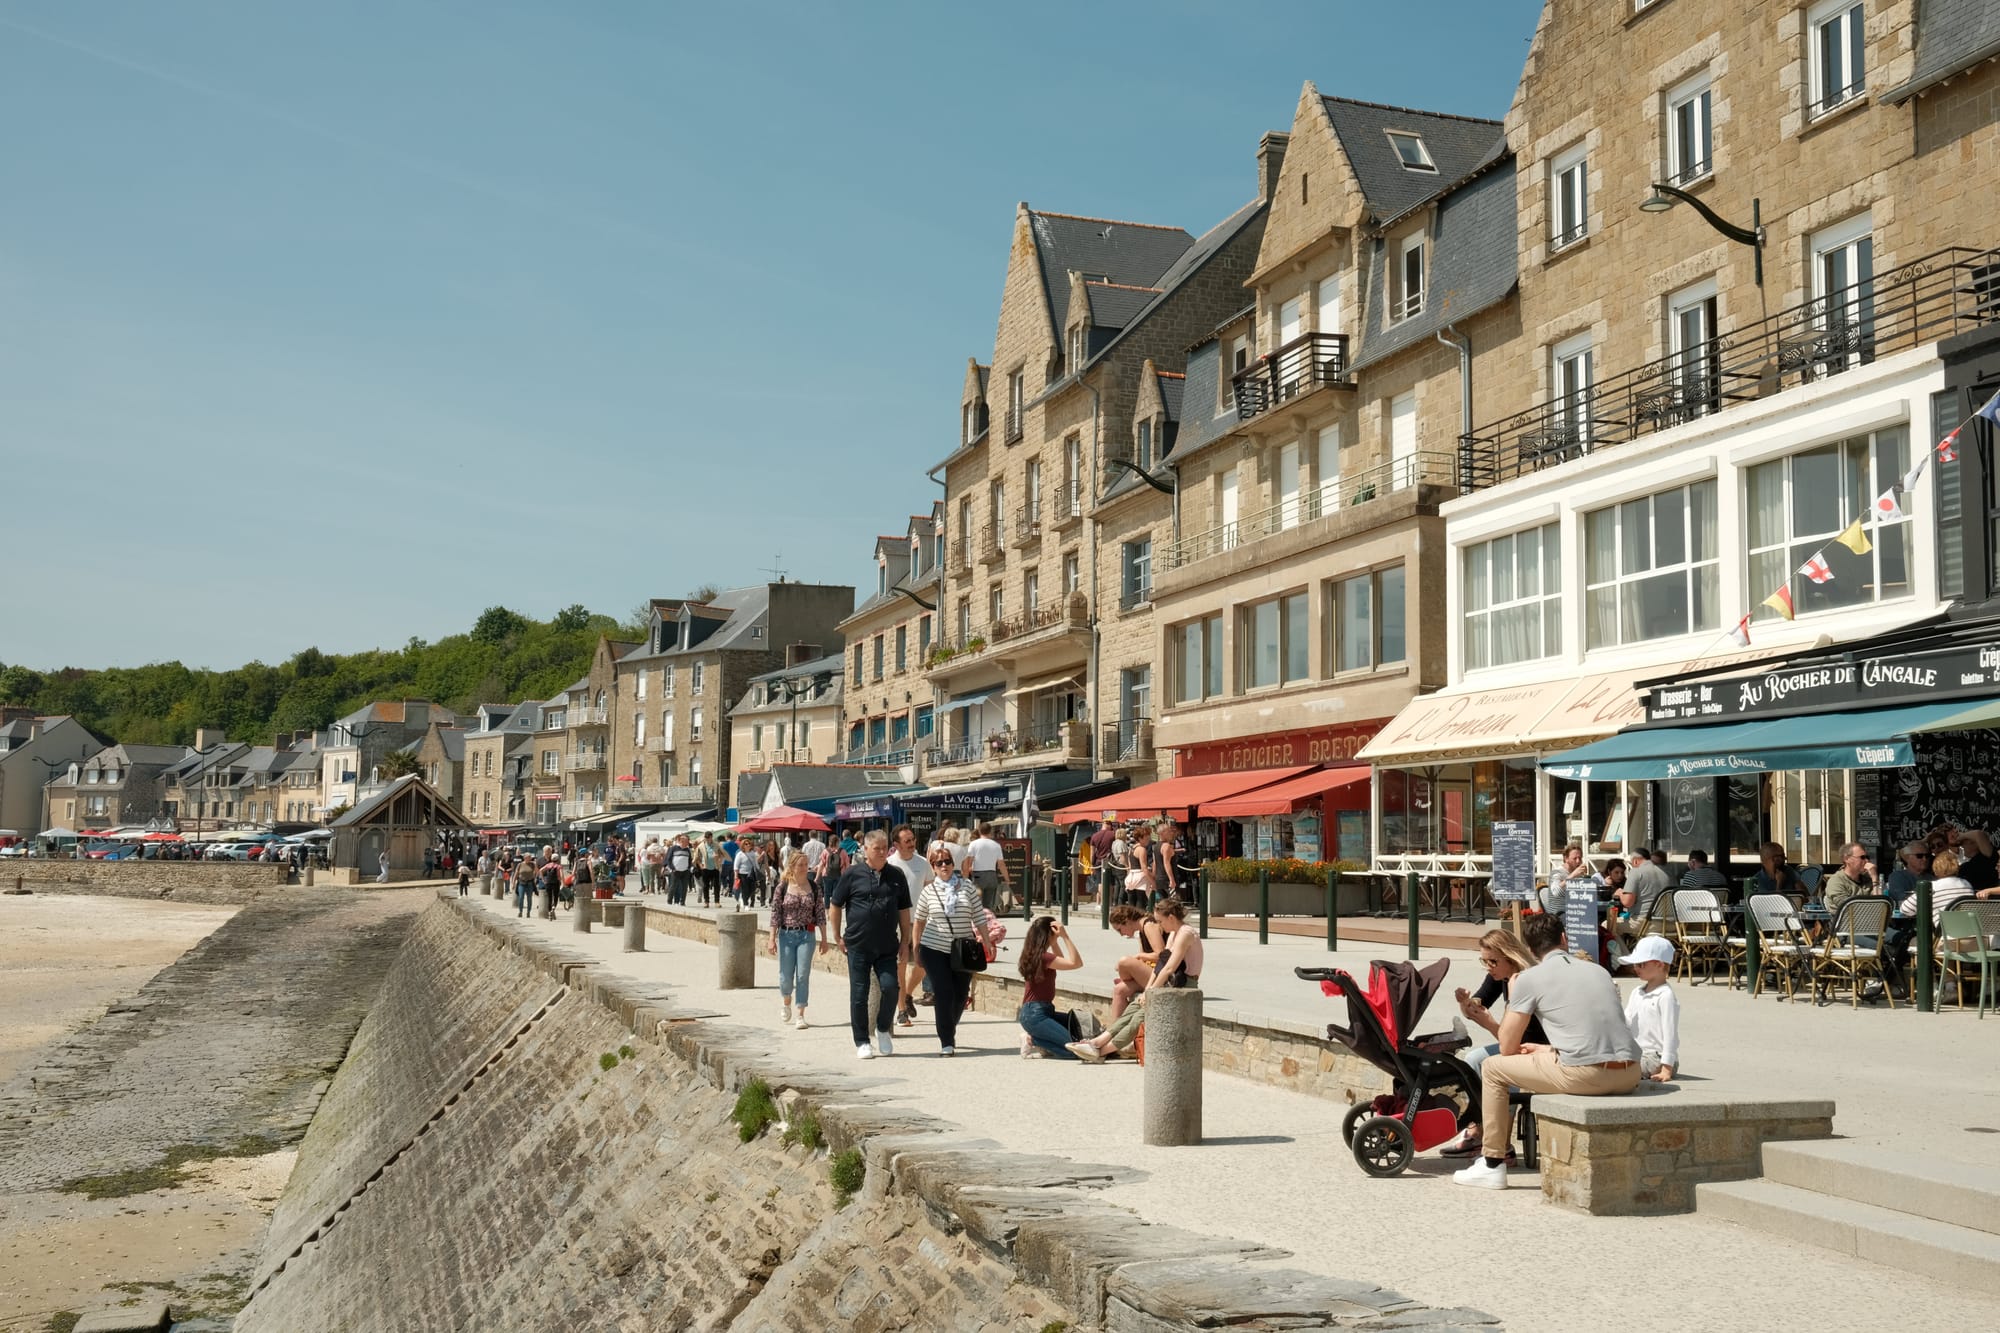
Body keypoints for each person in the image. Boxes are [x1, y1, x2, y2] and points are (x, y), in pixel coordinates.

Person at [1453, 912, 1641, 1190]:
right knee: (1532, 1053)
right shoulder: (1599, 971)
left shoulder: (1528, 978)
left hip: (1587, 1075)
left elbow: (1507, 1047)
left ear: (1529, 950)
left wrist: (1511, 996)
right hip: (1629, 1073)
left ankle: (1492, 1162)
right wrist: (1547, 1049)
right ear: (1563, 939)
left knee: (1491, 1067)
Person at [1441, 927, 1545, 1160]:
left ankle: (1502, 1143)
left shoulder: (1525, 981)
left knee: (1500, 1067)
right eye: (1484, 961)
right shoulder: (1501, 975)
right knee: (1473, 1060)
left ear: (1510, 957)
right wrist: (1467, 1003)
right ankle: (1479, 1128)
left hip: (1538, 1049)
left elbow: (1513, 1043)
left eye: (1493, 962)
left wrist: (1488, 1023)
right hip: (1517, 1046)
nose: (1489, 967)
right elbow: (1481, 1000)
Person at [1069, 898, 1201, 1062]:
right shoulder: (1174, 933)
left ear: (1171, 918)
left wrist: (1151, 991)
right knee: (1134, 1007)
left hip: (1185, 984)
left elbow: (1169, 968)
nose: (1159, 925)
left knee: (1141, 1015)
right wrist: (1147, 990)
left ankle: (1102, 1051)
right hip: (1173, 982)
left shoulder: (1186, 933)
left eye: (1160, 921)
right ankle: (1098, 1042)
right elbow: (1162, 963)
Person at [828, 829, 914, 1059]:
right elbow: (835, 905)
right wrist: (836, 936)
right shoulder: (852, 874)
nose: (882, 852)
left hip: (887, 946)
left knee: (891, 987)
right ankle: (862, 1041)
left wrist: (906, 941)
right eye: (877, 848)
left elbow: (904, 911)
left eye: (885, 848)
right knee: (859, 993)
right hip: (858, 944)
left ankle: (883, 1027)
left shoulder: (896, 875)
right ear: (865, 850)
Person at [911, 845, 995, 1056]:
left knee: (960, 994)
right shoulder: (928, 891)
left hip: (962, 949)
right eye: (939, 863)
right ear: (933, 867)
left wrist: (987, 941)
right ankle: (946, 1041)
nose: (944, 866)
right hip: (934, 947)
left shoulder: (966, 887)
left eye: (947, 861)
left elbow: (979, 917)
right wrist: (915, 947)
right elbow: (919, 922)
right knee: (944, 992)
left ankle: (950, 1025)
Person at [767, 849, 828, 1029]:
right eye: (800, 865)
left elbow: (820, 915)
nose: (804, 868)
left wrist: (824, 938)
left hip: (806, 935)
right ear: (792, 866)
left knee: (803, 975)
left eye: (806, 864)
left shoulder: (814, 887)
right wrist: (772, 938)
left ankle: (800, 1013)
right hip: (786, 934)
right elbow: (775, 914)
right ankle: (786, 1000)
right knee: (786, 976)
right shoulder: (783, 887)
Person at [1017, 916, 1085, 1059]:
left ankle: (1042, 1043)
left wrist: (1055, 941)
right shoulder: (1043, 957)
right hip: (1035, 1015)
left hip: (1041, 1011)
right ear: (1049, 934)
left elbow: (1062, 960)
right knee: (1075, 1051)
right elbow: (1076, 963)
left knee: (1077, 1030)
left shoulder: (1036, 954)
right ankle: (1032, 1039)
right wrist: (1065, 937)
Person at [1622, 935, 1681, 1082]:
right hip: (1638, 1053)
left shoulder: (1665, 995)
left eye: (1641, 964)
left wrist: (1667, 1068)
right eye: (1635, 964)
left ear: (1660, 965)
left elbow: (1670, 1034)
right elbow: (1627, 1022)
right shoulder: (1637, 992)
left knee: (1622, 1068)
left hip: (1657, 1057)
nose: (1636, 968)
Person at [1107, 903, 1166, 1020]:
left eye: (1120, 929)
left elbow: (1162, 955)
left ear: (1127, 921)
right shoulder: (1140, 931)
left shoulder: (1149, 925)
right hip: (1153, 973)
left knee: (1124, 962)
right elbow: (1146, 958)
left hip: (1164, 976)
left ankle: (1126, 979)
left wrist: (1139, 956)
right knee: (1119, 990)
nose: (1121, 934)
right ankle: (1113, 1032)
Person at [1540, 845, 1597, 916]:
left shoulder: (1578, 874)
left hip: (1575, 911)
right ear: (1566, 858)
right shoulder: (1557, 873)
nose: (1578, 861)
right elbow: (1556, 892)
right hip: (1559, 914)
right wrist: (1573, 875)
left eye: (1580, 858)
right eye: (1575, 858)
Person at [965, 822, 1009, 913]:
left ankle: (978, 924)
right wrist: (1007, 878)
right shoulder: (996, 845)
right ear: (990, 831)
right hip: (992, 875)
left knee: (976, 904)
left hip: (978, 875)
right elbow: (1001, 864)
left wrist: (965, 875)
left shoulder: (974, 844)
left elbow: (969, 861)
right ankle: (988, 922)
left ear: (979, 831)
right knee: (988, 905)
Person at [1822, 842, 1875, 913]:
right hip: (1846, 922)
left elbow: (1882, 905)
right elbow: (1847, 907)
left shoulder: (1868, 880)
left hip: (1871, 921)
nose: (1867, 861)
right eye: (1862, 857)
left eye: (1867, 857)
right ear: (1847, 859)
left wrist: (1875, 878)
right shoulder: (1836, 881)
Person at [1620, 849, 1671, 920]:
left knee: (1606, 924)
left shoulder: (1636, 871)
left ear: (1635, 861)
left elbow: (1627, 902)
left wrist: (1620, 893)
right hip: (1671, 923)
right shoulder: (1667, 873)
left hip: (1646, 923)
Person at [733, 838, 761, 909]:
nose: (748, 845)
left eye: (749, 844)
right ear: (743, 845)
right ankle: (746, 904)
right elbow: (736, 865)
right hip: (743, 874)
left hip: (751, 874)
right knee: (745, 889)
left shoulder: (752, 853)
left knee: (752, 889)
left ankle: (743, 898)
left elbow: (755, 863)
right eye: (746, 844)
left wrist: (758, 871)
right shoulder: (740, 854)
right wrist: (736, 875)